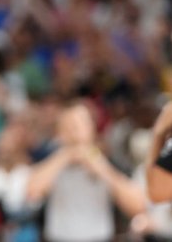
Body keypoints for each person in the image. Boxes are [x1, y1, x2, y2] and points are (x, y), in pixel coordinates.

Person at [25, 102, 146, 242]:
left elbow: (137, 206)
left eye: (79, 125)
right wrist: (64, 157)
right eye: (68, 126)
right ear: (59, 132)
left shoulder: (107, 161)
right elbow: (30, 191)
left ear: (92, 128)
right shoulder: (51, 160)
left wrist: (102, 169)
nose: (74, 131)